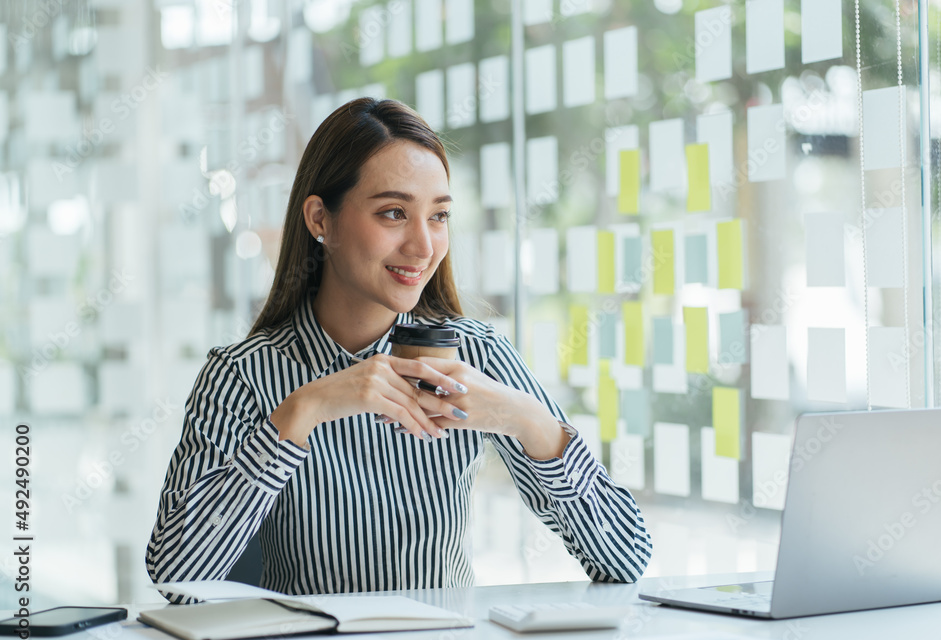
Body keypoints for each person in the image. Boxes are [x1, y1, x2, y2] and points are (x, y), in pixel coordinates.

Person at [146, 98, 652, 600]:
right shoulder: (243, 375)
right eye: (393, 213)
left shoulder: (474, 355)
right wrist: (303, 410)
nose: (424, 246)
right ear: (321, 218)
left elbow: (626, 557)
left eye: (439, 216)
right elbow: (177, 578)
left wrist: (529, 421)